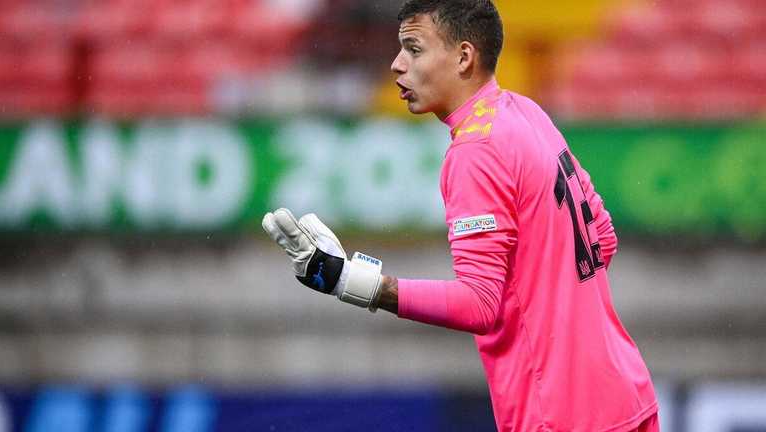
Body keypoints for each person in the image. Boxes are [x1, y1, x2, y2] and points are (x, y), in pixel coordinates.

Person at [262, 0, 659, 430]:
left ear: (464, 57)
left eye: (414, 49)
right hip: (624, 395)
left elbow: (480, 304)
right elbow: (603, 236)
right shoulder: (527, 112)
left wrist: (351, 281)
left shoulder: (475, 153)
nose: (396, 65)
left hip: (560, 416)